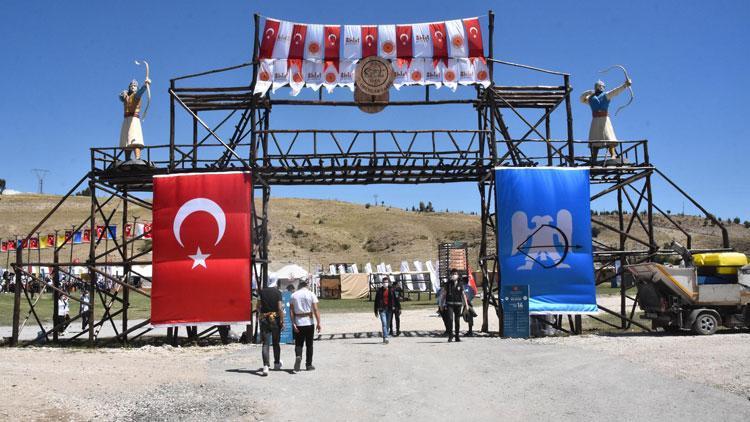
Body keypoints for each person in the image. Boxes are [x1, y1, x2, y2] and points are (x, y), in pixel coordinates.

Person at [580, 76, 632, 163]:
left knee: (609, 137)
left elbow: (616, 91)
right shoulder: (591, 98)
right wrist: (589, 92)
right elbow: (582, 99)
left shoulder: (605, 95)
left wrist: (625, 85)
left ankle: (613, 155)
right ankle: (594, 158)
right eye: (598, 86)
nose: (599, 87)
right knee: (595, 139)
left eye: (600, 86)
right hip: (595, 120)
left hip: (604, 119)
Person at [289, 280, 321, 372]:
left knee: (298, 343)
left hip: (298, 322)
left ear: (299, 286)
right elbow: (315, 309)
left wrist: (293, 323)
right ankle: (308, 364)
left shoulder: (294, 295)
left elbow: (291, 311)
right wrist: (319, 323)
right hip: (309, 322)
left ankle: (298, 356)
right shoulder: (311, 294)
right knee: (309, 344)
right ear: (306, 285)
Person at [119, 77, 151, 162]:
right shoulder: (126, 96)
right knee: (126, 140)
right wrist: (123, 93)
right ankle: (127, 158)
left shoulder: (136, 96)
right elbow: (120, 97)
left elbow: (141, 92)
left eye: (134, 86)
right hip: (126, 119)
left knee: (135, 138)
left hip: (134, 119)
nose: (133, 87)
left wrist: (145, 85)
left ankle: (137, 157)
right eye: (131, 86)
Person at [259, 278, 285, 376]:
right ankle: (277, 363)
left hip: (264, 319)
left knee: (265, 343)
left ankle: (266, 366)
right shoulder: (278, 292)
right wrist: (282, 320)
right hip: (275, 319)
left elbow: (258, 306)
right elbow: (279, 308)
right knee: (276, 342)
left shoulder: (261, 292)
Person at [439, 269, 468, 342]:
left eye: (455, 274)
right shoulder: (448, 284)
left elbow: (463, 294)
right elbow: (444, 294)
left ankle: (457, 336)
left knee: (457, 320)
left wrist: (466, 304)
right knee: (450, 319)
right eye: (452, 274)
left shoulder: (460, 284)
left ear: (458, 275)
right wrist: (441, 304)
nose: (454, 275)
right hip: (450, 304)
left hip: (458, 304)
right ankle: (450, 335)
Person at [374, 277, 396, 344]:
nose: (385, 283)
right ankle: (386, 338)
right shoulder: (379, 290)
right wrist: (375, 310)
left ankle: (384, 335)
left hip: (389, 309)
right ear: (382, 283)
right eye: (384, 282)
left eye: (386, 282)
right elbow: (376, 301)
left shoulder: (391, 290)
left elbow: (395, 299)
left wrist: (395, 307)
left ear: (388, 282)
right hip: (382, 309)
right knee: (384, 323)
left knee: (388, 324)